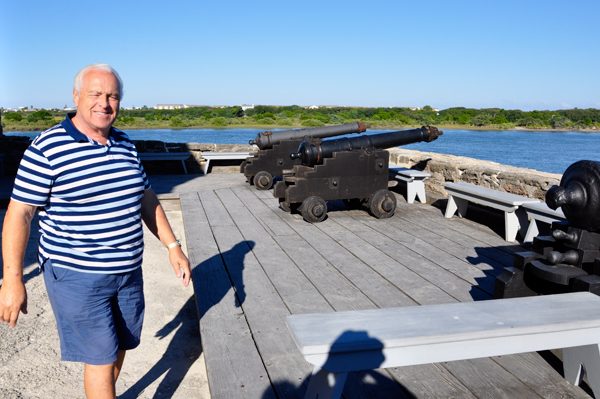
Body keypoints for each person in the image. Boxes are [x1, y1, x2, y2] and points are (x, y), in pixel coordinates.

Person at [0, 63, 191, 399]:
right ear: (76, 97)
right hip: (77, 274)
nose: (105, 103)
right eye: (96, 94)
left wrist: (173, 246)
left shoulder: (124, 143)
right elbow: (20, 214)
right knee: (101, 359)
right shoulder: (47, 148)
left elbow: (146, 197)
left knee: (120, 346)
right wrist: (13, 278)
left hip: (128, 271)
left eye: (113, 96)